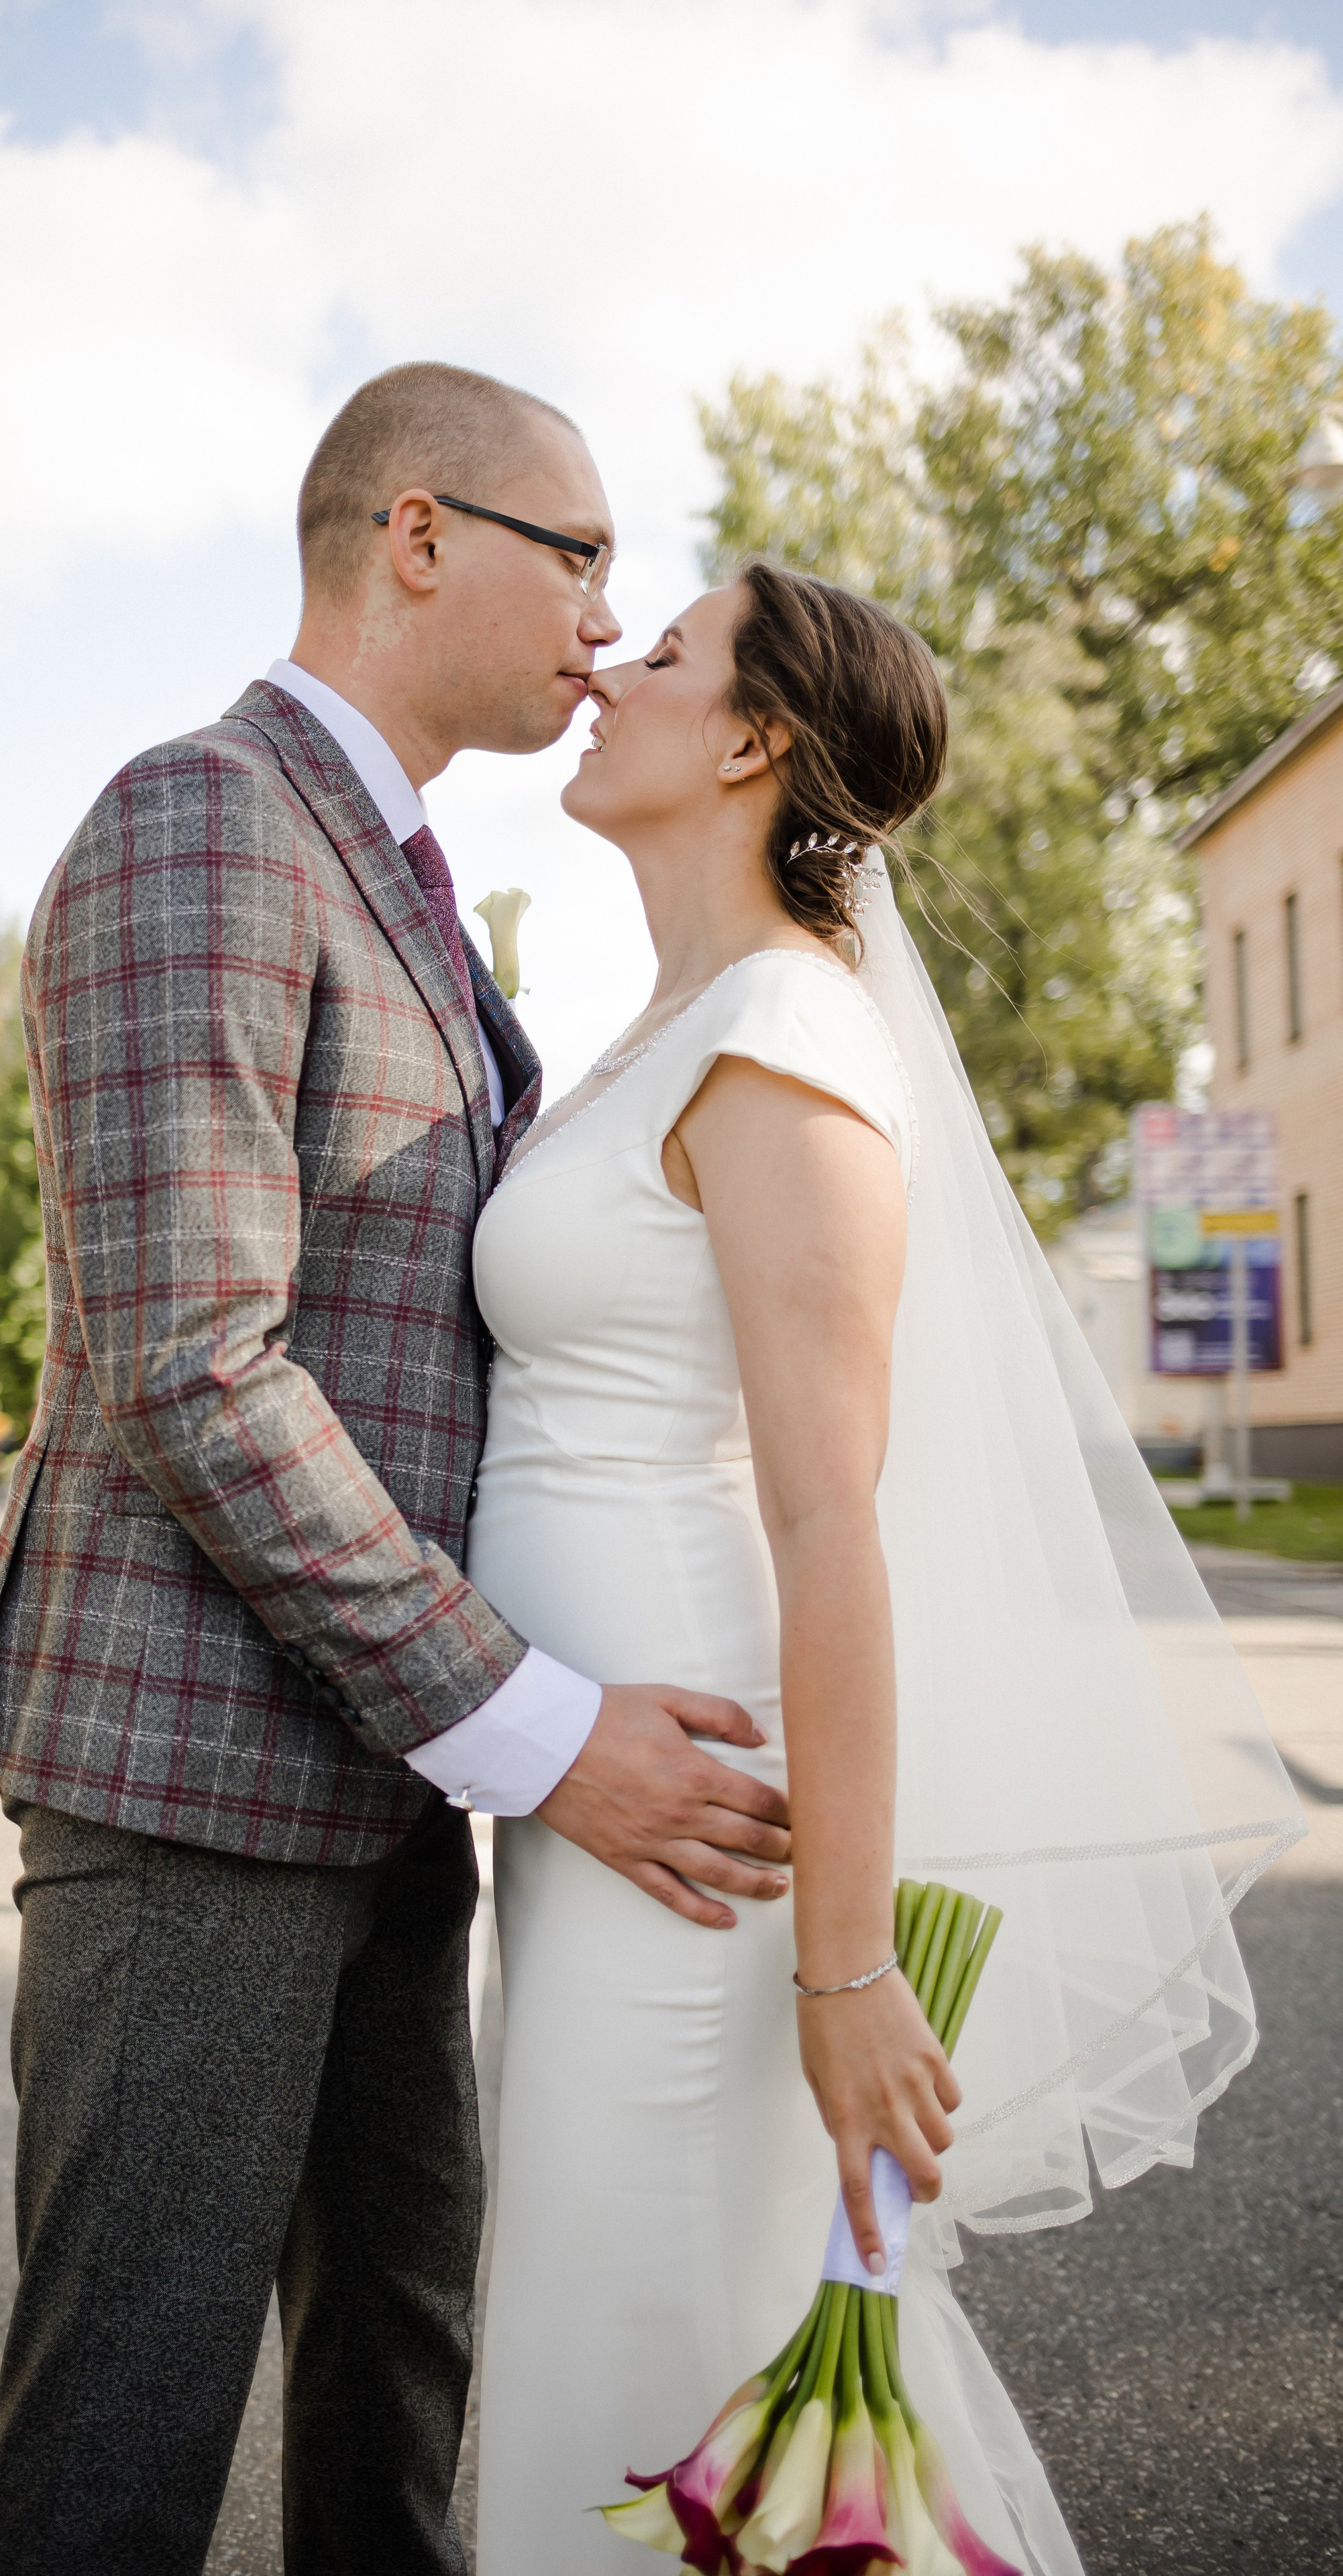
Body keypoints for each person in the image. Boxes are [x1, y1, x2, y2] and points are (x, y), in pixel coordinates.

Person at [0, 362, 796, 2576]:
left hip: (391, 1770)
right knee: (128, 2417)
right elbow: (191, 1365)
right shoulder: (204, 817)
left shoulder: (406, 879)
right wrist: (539, 1727)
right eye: (579, 552)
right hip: (198, 1776)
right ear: (419, 537)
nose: (607, 616)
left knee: (396, 2377)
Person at [469, 563, 1304, 2573]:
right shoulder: (657, 1027)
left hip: (705, 1821)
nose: (608, 668)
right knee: (618, 2339)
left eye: (661, 654)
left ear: (755, 742)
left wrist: (844, 1970)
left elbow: (835, 1519)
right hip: (589, 1801)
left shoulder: (783, 1037)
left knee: (662, 2342)